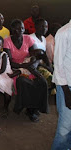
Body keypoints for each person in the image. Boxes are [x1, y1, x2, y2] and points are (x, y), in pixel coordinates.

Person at [3, 19, 48, 122]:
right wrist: (23, 67)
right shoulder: (7, 41)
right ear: (12, 30)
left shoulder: (28, 39)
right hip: (15, 69)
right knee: (23, 82)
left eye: (22, 28)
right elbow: (9, 61)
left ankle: (34, 108)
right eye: (18, 28)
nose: (21, 30)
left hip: (29, 68)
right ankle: (29, 109)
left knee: (42, 82)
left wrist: (29, 66)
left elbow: (36, 56)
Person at [51, 20, 71, 150]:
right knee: (65, 127)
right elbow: (57, 65)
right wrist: (66, 93)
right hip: (67, 87)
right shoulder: (64, 32)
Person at [0, 36, 20, 117]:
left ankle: (6, 107)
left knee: (7, 91)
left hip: (5, 74)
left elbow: (3, 69)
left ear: (2, 46)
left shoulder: (3, 55)